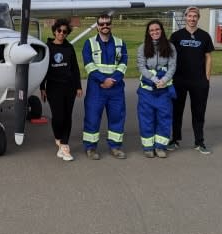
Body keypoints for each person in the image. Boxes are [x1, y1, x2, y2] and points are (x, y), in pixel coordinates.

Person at [82, 13, 128, 160]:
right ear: (97, 26)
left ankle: (115, 147)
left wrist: (112, 80)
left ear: (111, 25)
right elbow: (89, 65)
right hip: (96, 88)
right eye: (101, 24)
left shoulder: (121, 43)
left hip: (116, 89)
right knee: (92, 118)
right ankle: (90, 148)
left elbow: (123, 64)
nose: (105, 26)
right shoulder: (89, 43)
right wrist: (103, 79)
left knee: (117, 117)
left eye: (107, 23)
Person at [169, 6, 214, 154]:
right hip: (179, 80)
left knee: (199, 112)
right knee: (177, 111)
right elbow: (169, 57)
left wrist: (207, 77)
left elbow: (208, 57)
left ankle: (199, 142)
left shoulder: (204, 36)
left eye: (195, 16)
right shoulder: (176, 36)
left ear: (198, 18)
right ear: (185, 17)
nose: (192, 18)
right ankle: (175, 139)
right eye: (189, 16)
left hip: (199, 81)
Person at [40, 18, 83, 161]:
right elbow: (43, 69)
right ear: (54, 31)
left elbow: (75, 68)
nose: (62, 33)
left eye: (65, 32)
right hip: (53, 87)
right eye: (59, 31)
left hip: (69, 87)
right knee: (58, 117)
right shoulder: (47, 48)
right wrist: (42, 87)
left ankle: (64, 145)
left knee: (67, 116)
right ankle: (58, 137)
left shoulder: (69, 48)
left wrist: (78, 86)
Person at [136, 19, 176, 158]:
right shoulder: (142, 48)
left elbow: (172, 66)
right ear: (148, 32)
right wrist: (154, 79)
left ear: (161, 30)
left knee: (164, 118)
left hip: (164, 90)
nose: (155, 32)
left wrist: (164, 80)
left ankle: (160, 147)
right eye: (152, 30)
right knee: (146, 118)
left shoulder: (170, 47)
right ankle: (148, 147)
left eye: (157, 29)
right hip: (147, 89)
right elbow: (141, 67)